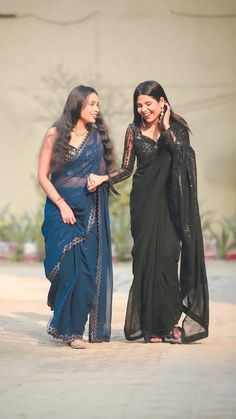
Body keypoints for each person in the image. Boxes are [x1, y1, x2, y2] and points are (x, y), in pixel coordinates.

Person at [87, 80, 209, 344]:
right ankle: (150, 327)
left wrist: (165, 128)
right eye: (139, 104)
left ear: (162, 102)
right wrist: (103, 178)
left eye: (148, 104)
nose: (143, 109)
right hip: (143, 203)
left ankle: (166, 325)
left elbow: (184, 156)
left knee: (166, 259)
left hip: (170, 205)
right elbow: (127, 168)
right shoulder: (133, 130)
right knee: (143, 261)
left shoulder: (177, 129)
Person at [38, 85, 114, 349]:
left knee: (84, 272)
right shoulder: (54, 134)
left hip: (89, 212)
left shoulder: (96, 138)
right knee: (65, 269)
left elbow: (103, 174)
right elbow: (42, 177)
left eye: (98, 104)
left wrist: (98, 181)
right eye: (92, 103)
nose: (96, 109)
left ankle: (73, 332)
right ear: (77, 104)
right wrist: (62, 205)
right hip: (61, 213)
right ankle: (64, 320)